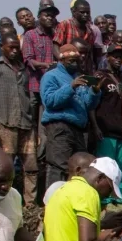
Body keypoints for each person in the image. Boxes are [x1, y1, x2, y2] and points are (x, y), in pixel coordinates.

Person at [0, 34, 38, 205]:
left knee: (31, 167)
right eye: (10, 47)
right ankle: (2, 202)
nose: (14, 50)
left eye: (16, 47)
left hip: (26, 124)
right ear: (2, 48)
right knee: (4, 167)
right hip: (5, 123)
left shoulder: (23, 69)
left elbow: (30, 98)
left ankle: (30, 204)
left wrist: (35, 126)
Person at [40, 44, 103, 188]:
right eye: (71, 60)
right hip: (59, 126)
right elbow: (49, 101)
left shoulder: (78, 78)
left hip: (78, 129)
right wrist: (71, 87)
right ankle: (52, 202)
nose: (75, 63)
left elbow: (88, 104)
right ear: (62, 60)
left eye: (77, 60)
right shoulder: (51, 76)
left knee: (79, 167)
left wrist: (94, 91)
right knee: (59, 165)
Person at [93, 44, 122, 195]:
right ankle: (103, 199)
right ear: (107, 57)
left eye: (121, 57)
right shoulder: (99, 76)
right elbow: (91, 105)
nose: (118, 59)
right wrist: (95, 127)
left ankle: (119, 199)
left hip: (121, 131)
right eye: (115, 56)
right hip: (105, 130)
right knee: (104, 168)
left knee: (121, 168)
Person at [22, 4, 59, 133]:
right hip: (35, 85)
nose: (50, 18)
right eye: (47, 15)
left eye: (53, 16)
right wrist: (47, 65)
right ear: (39, 17)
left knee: (47, 125)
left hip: (52, 87)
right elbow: (28, 59)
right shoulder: (30, 35)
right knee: (31, 125)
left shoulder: (56, 36)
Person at [53, 0, 95, 73]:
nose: (85, 15)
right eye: (82, 12)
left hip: (81, 70)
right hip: (66, 68)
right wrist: (63, 63)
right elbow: (55, 47)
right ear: (74, 12)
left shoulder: (90, 31)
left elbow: (89, 55)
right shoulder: (65, 24)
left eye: (87, 12)